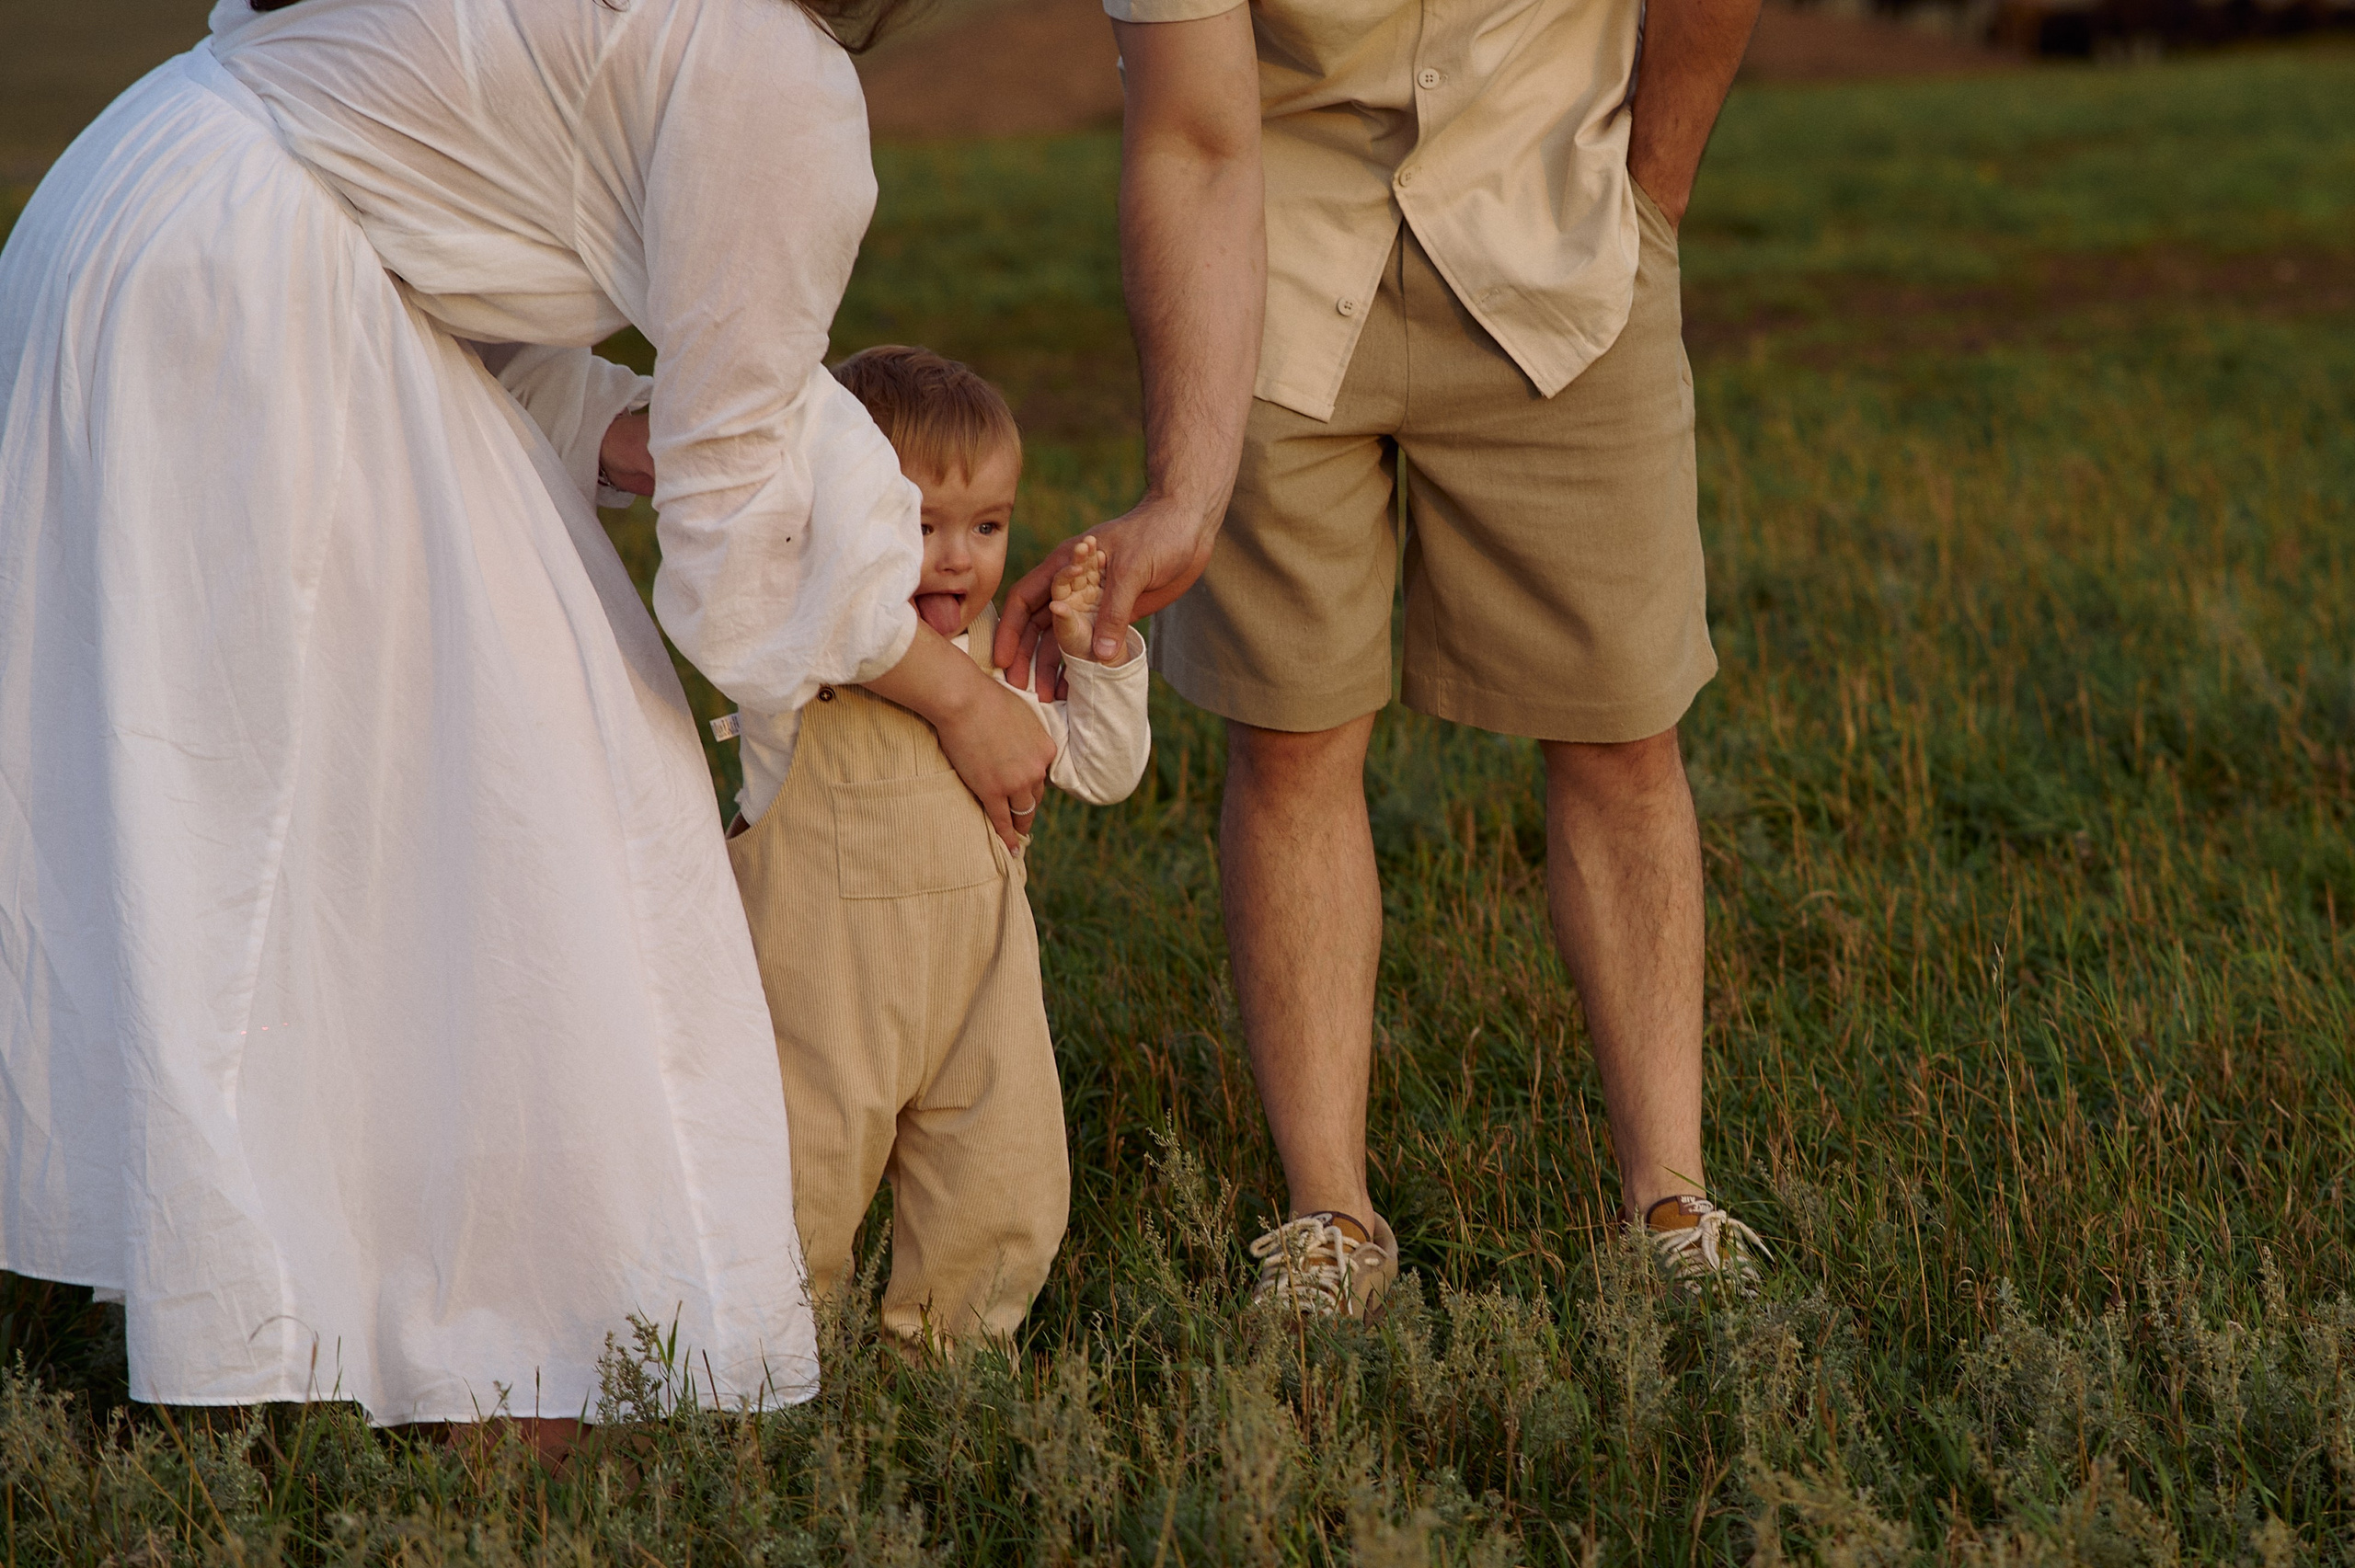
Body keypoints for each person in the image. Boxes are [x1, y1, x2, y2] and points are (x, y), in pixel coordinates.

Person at [0, 0, 1059, 1436]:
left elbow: (432, 179)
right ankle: (517, 1353)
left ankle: (263, 1298)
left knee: (258, 800)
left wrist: (641, 432)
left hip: (138, 203)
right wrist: (953, 693)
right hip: (255, 296)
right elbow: (737, 541)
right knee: (544, 798)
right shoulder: (771, 75)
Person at [996, 0, 1771, 1312]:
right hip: (1274, 268)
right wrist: (1185, 488)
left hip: (1564, 238)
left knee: (1624, 731)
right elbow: (1189, 135)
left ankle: (1671, 1201)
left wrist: (1650, 201)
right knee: (1289, 736)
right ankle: (1330, 1219)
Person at [717, 347, 1150, 1348]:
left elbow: (1103, 767)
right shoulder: (796, 646)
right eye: (916, 527)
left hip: (977, 985)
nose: (958, 557)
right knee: (798, 1174)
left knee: (1002, 1178)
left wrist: (1101, 657)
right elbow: (814, 609)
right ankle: (762, 1360)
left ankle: (951, 1367)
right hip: (819, 987)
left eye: (988, 526)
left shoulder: (997, 659)